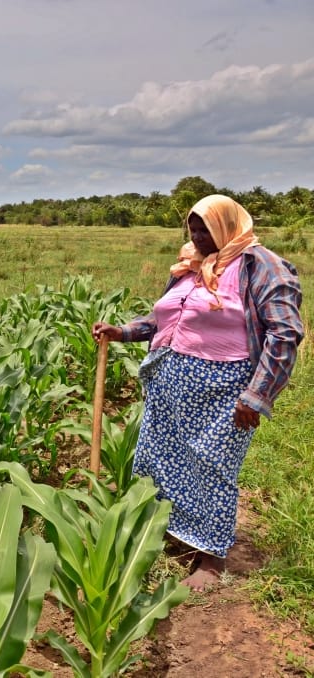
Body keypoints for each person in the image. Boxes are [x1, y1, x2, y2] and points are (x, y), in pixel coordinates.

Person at [92, 194, 303, 591]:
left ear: (227, 225)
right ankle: (175, 533)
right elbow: (165, 319)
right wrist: (122, 332)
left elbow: (284, 333)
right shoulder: (191, 265)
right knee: (162, 458)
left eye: (204, 226)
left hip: (225, 390)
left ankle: (212, 557)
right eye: (192, 225)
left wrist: (257, 396)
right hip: (170, 383)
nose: (196, 233)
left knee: (213, 467)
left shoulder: (261, 266)